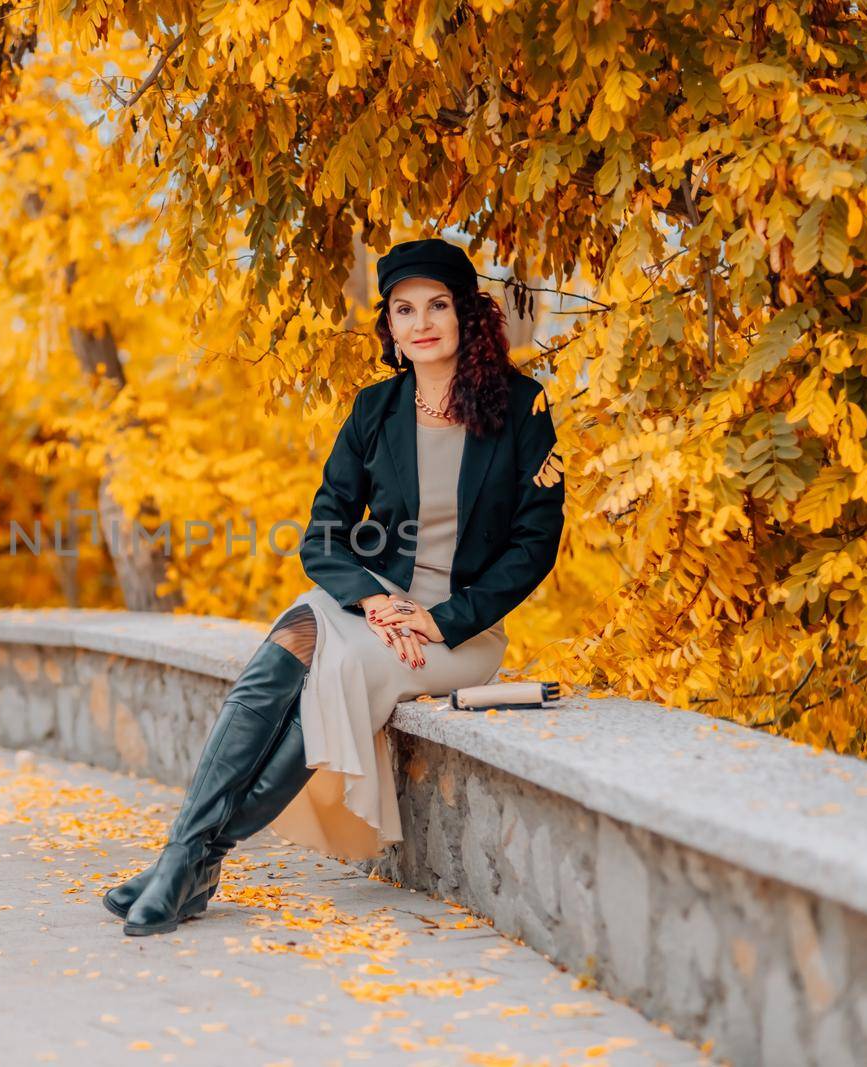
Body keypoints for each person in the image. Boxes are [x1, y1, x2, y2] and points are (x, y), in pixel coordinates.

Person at [106, 236, 567, 936]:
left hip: (460, 632)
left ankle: (192, 856)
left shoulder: (522, 407)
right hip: (371, 604)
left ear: (467, 313)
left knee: (338, 665)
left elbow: (534, 546)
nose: (421, 323)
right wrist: (375, 600)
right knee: (287, 647)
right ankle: (187, 855)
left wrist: (438, 621)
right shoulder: (374, 410)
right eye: (403, 309)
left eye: (437, 305)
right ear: (389, 325)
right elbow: (322, 532)